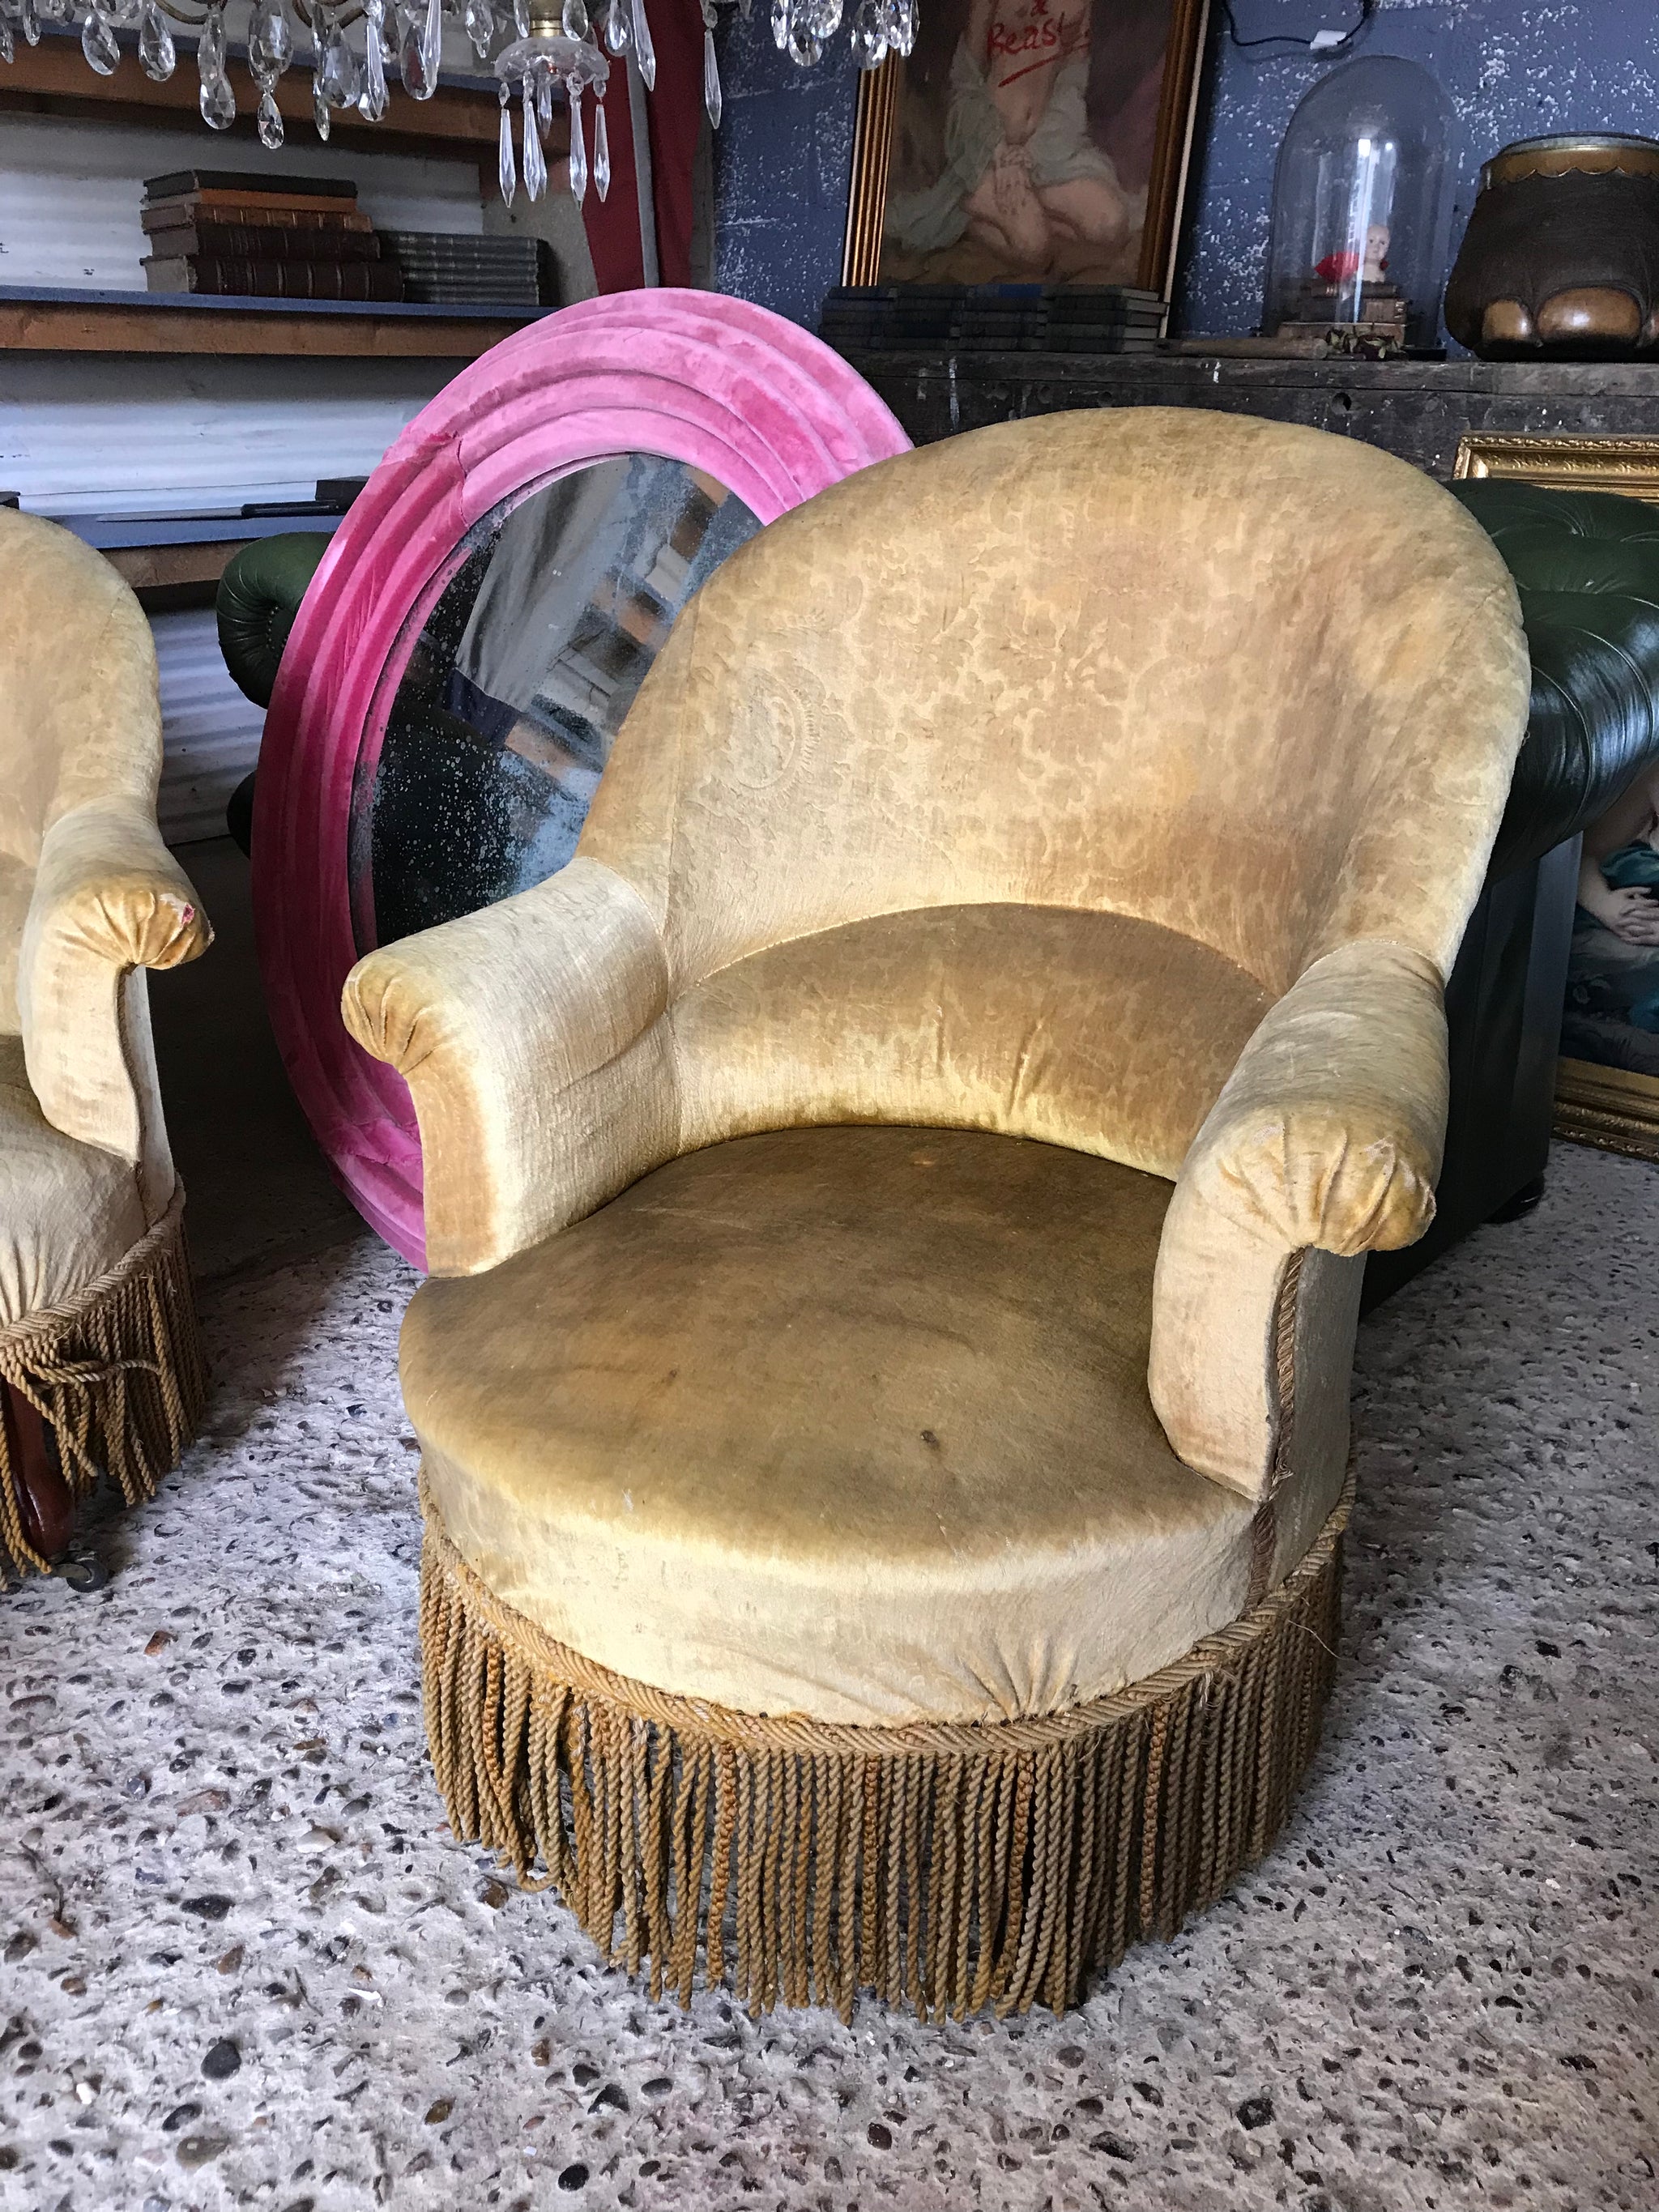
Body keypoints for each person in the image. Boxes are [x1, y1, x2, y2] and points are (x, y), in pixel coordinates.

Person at [885, 0, 1141, 280]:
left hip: (1045, 152)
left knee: (1110, 224)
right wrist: (999, 152)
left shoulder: (1078, 3)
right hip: (985, 153)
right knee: (1033, 249)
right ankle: (967, 208)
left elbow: (1071, 81)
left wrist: (1032, 151)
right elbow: (966, 83)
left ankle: (1022, 206)